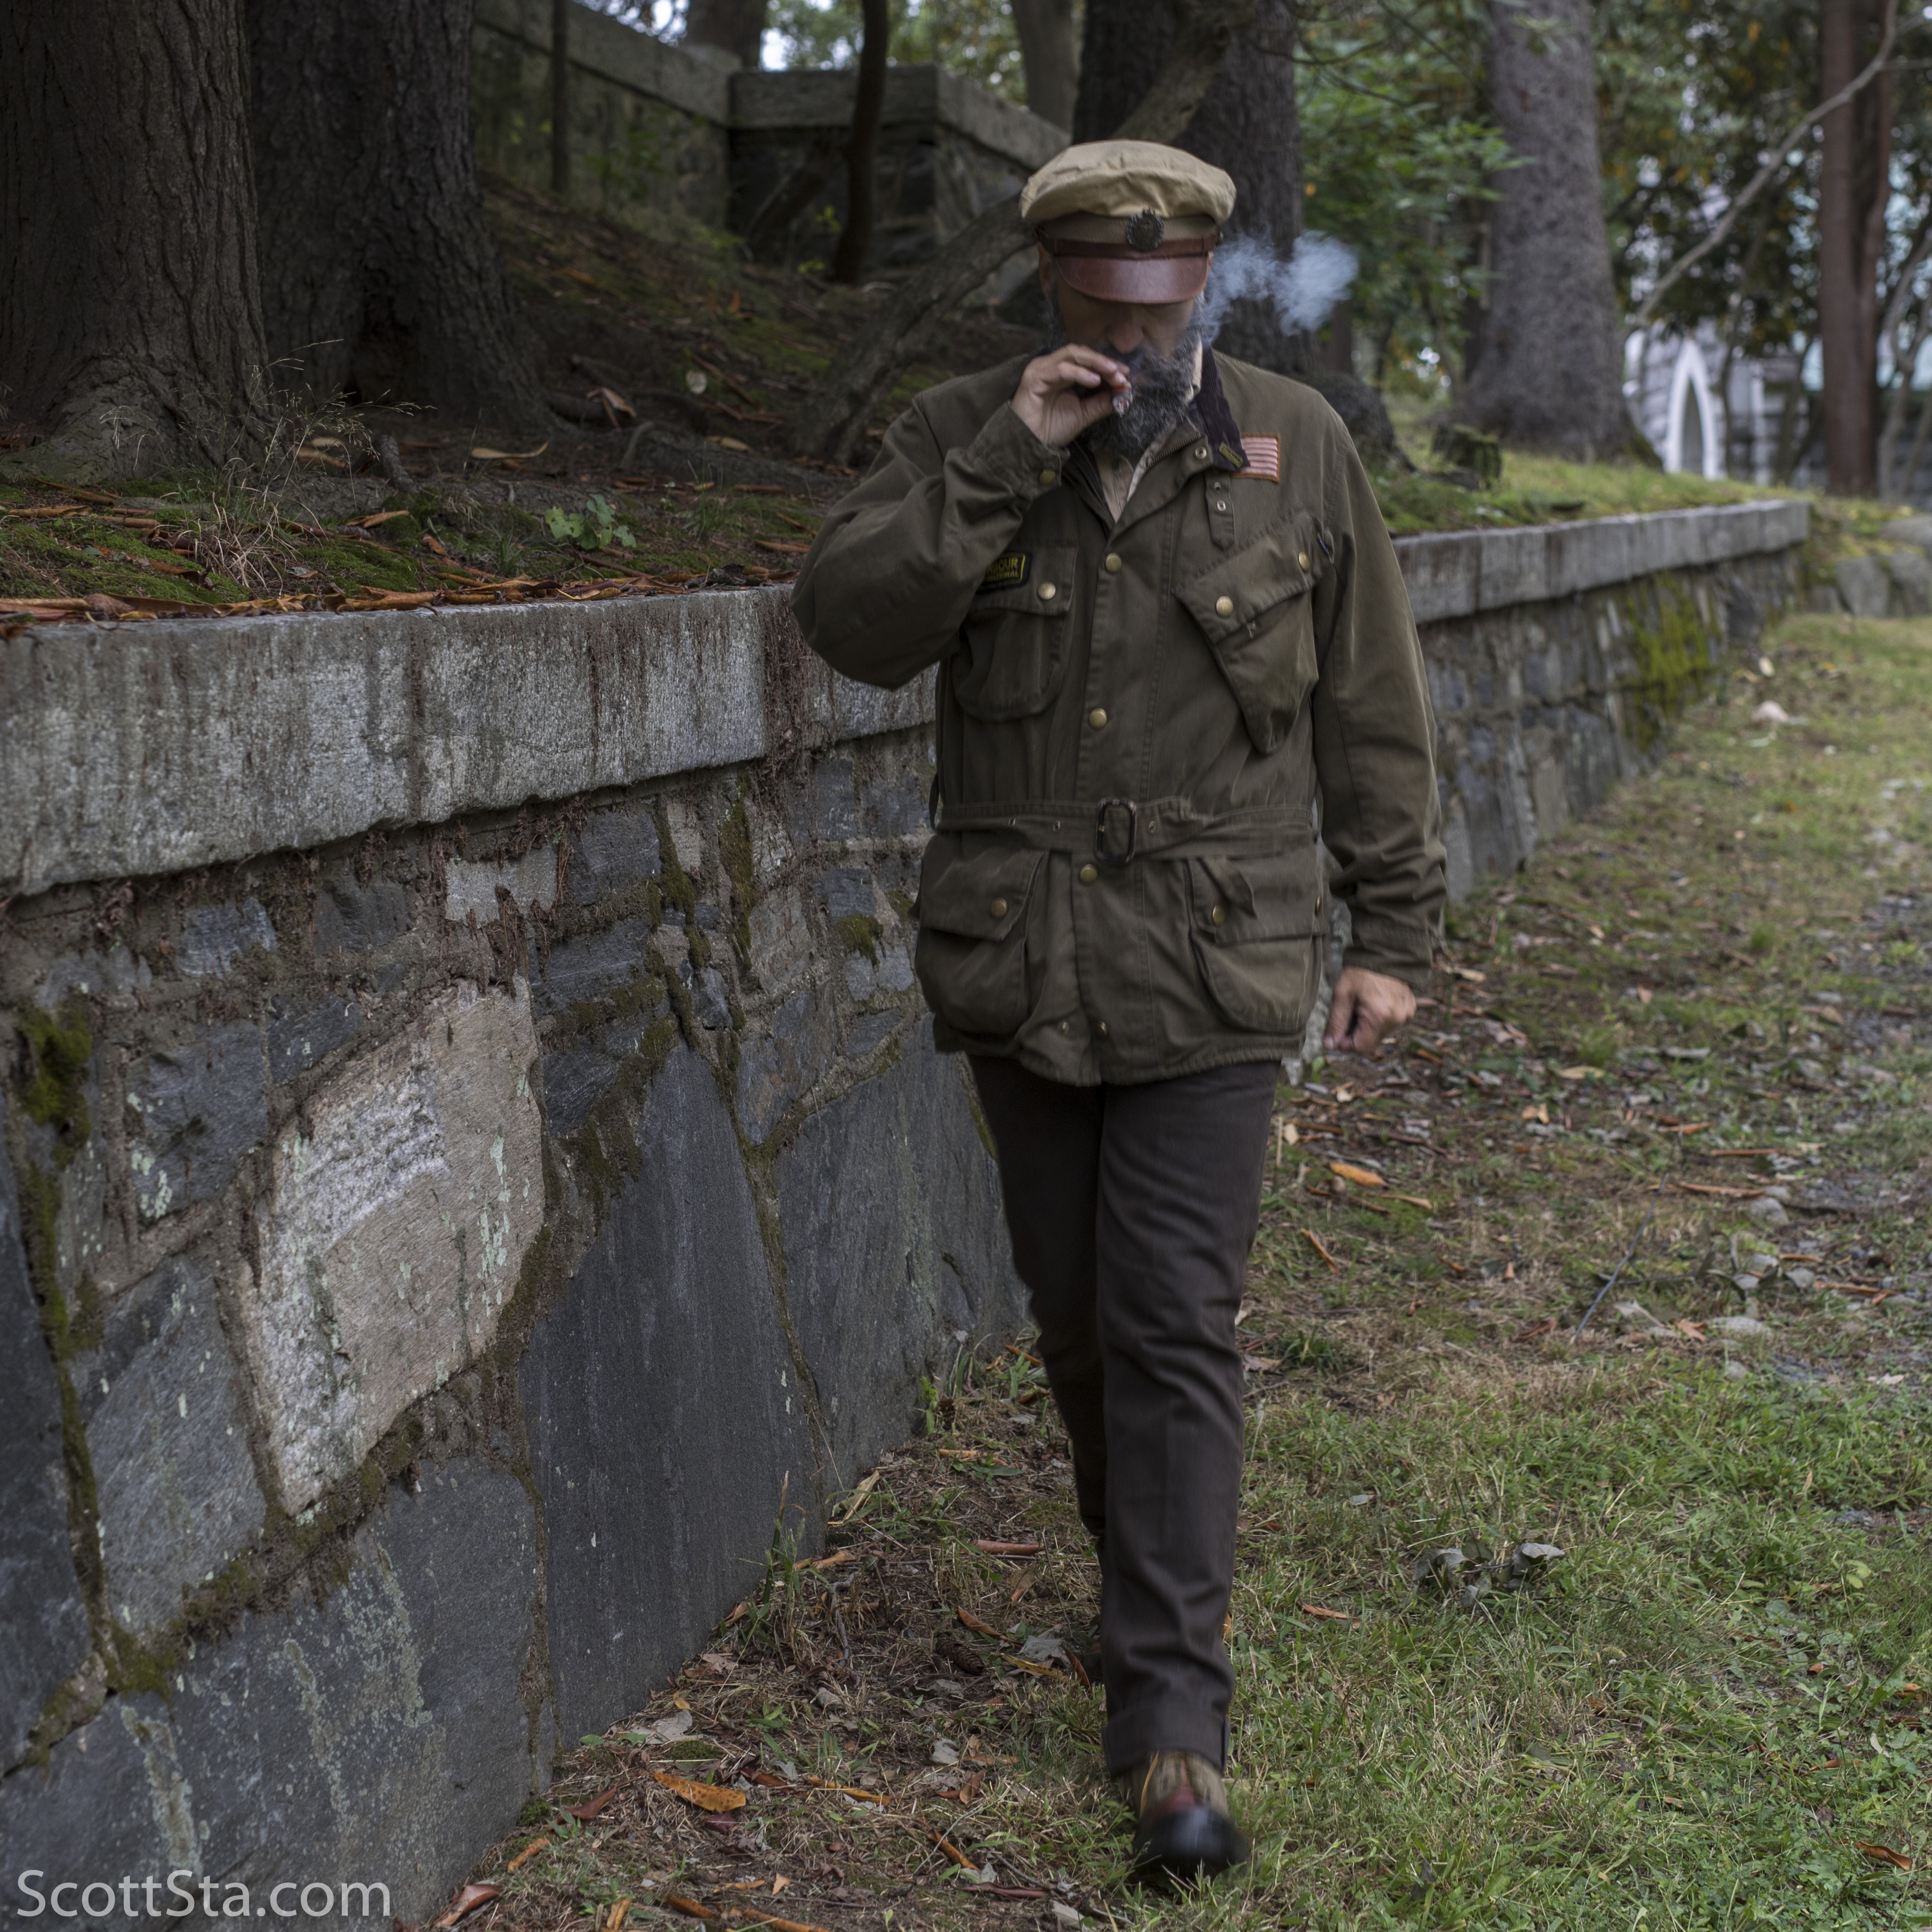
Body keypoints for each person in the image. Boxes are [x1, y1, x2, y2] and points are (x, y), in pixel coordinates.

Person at [791, 139, 1446, 1878]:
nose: (1138, 334)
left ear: (1207, 282)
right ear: (1053, 285)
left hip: (1216, 956)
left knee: (1171, 1322)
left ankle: (1172, 1726)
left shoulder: (1297, 443)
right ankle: (1138, 1599)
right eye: (1105, 301)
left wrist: (1393, 929)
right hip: (1026, 955)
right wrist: (1012, 451)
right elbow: (852, 624)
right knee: (1078, 1321)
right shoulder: (963, 432)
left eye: (1162, 301)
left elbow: (1372, 701)